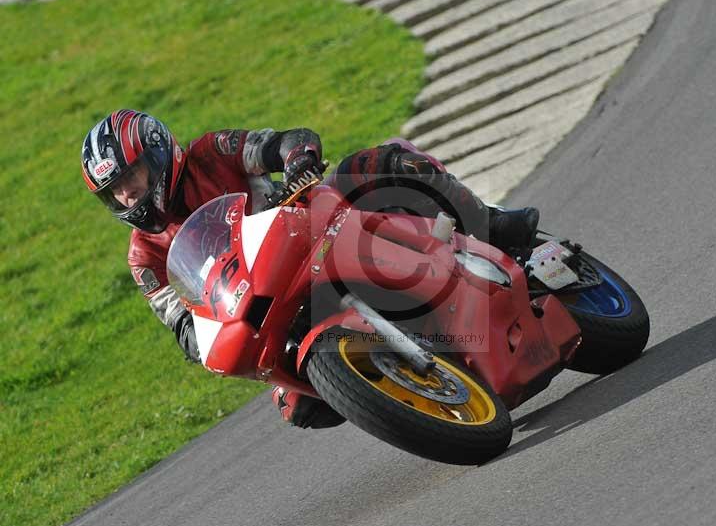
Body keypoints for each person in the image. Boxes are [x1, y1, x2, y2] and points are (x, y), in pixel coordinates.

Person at [81, 109, 539, 429]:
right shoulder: (143, 256)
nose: (126, 196)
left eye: (131, 178)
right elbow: (182, 327)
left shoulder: (210, 153)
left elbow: (284, 142)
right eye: (113, 192)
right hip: (265, 301)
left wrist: (298, 161)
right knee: (301, 407)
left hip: (306, 232)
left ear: (159, 156)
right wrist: (202, 337)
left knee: (375, 164)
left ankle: (490, 224)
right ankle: (406, 390)